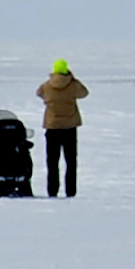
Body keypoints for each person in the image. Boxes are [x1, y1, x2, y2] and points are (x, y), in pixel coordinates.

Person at [35, 58, 89, 198]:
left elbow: (39, 93)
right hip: (70, 128)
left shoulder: (47, 86)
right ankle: (70, 191)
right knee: (71, 162)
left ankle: (52, 191)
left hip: (52, 127)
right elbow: (84, 93)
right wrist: (72, 79)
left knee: (52, 162)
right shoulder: (73, 85)